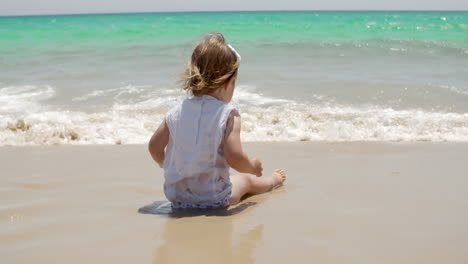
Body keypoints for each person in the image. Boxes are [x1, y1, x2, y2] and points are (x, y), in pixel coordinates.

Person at [148, 32, 286, 209]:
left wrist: (165, 163)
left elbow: (154, 147)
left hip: (178, 197)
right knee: (244, 180)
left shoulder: (176, 110)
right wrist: (252, 166)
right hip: (215, 198)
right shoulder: (228, 114)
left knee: (234, 180)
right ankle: (271, 181)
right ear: (229, 82)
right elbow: (234, 157)